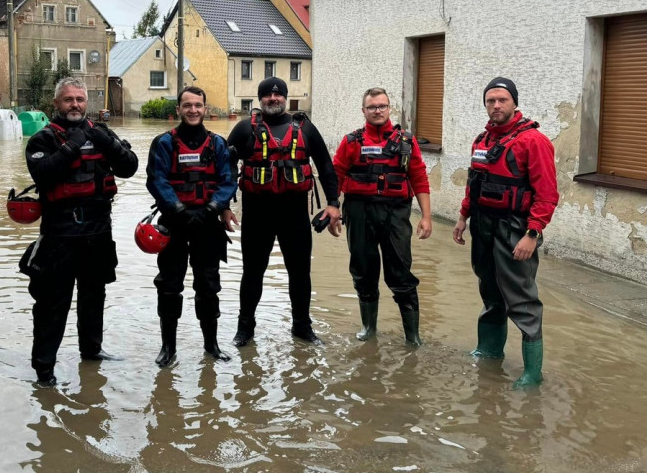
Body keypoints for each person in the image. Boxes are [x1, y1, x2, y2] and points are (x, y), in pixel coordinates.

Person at [21, 77, 138, 386]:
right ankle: (44, 371)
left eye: (80, 99)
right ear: (56, 104)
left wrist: (107, 142)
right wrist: (75, 142)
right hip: (59, 234)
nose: (75, 104)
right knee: (51, 304)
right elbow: (44, 173)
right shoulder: (42, 140)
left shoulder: (102, 133)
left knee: (93, 296)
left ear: (88, 103)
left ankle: (92, 352)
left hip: (98, 232)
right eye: (68, 99)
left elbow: (130, 167)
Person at [452, 77, 558, 388]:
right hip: (482, 224)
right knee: (490, 290)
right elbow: (474, 184)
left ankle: (532, 373)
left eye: (502, 100)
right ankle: (489, 351)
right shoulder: (482, 140)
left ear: (514, 102)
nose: (496, 105)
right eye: (490, 101)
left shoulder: (534, 141)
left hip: (515, 227)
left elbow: (548, 194)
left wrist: (532, 233)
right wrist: (462, 217)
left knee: (522, 299)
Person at [227, 77, 342, 345]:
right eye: (267, 95)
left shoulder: (306, 129)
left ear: (286, 98)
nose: (273, 99)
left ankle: (302, 326)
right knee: (252, 272)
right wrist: (223, 205)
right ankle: (245, 329)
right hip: (257, 215)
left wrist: (334, 203)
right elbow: (224, 167)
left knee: (300, 272)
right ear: (260, 100)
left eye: (278, 95)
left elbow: (326, 166)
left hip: (295, 215)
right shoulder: (244, 129)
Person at [146, 86, 238, 367]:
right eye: (187, 105)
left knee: (208, 286)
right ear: (179, 109)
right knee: (169, 286)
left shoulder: (218, 144)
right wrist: (177, 210)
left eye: (198, 105)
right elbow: (156, 180)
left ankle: (211, 346)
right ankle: (168, 348)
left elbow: (228, 179)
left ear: (205, 108)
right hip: (174, 223)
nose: (193, 110)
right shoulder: (163, 143)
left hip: (208, 224)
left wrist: (212, 208)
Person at [333, 87, 432, 346]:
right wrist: (333, 208)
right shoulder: (351, 141)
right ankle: (369, 329)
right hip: (358, 212)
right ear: (363, 111)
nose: (377, 110)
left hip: (396, 213)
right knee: (363, 271)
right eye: (372, 107)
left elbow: (419, 177)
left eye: (382, 106)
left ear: (390, 109)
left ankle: (413, 336)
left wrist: (426, 216)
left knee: (401, 273)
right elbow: (337, 175)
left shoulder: (407, 143)